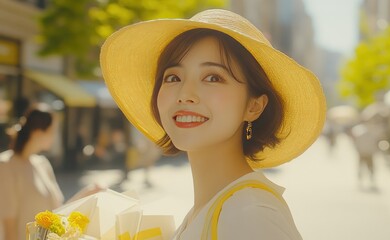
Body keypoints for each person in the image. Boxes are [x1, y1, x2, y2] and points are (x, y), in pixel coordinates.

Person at [101, 9, 326, 240]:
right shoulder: (215, 208)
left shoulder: (250, 216)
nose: (185, 94)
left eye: (213, 77)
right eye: (173, 77)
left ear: (254, 106)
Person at [0, 106, 102, 240]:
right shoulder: (6, 165)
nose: (55, 137)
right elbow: (9, 226)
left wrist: (87, 193)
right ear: (37, 132)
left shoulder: (42, 163)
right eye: (52, 131)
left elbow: (58, 213)